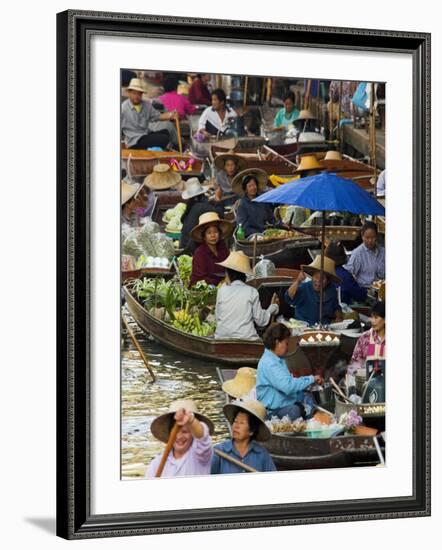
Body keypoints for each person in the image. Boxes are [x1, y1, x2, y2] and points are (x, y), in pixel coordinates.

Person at [256, 323, 323, 420]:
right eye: (286, 343)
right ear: (277, 342)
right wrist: (311, 379)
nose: (287, 348)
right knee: (295, 410)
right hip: (272, 411)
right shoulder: (270, 363)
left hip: (283, 401)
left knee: (307, 396)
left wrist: (308, 382)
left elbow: (288, 381)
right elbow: (287, 386)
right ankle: (309, 418)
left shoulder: (276, 358)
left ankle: (311, 415)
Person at [214, 251, 279, 340]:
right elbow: (261, 321)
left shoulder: (222, 290)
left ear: (228, 274)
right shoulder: (251, 291)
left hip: (221, 338)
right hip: (245, 340)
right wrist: (273, 307)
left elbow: (217, 317)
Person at [145, 399, 214, 478]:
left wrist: (191, 420)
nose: (179, 437)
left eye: (185, 432)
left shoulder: (201, 456)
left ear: (192, 434)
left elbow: (202, 438)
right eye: (176, 432)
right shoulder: (156, 463)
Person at [211, 400, 276, 474]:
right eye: (235, 421)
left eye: (242, 423)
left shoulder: (262, 454)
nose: (236, 426)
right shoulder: (219, 451)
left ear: (251, 431)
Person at [284, 255, 343, 325]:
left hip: (325, 327)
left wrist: (339, 317)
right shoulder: (305, 288)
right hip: (304, 326)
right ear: (312, 277)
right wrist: (298, 281)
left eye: (322, 279)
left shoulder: (331, 289)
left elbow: (336, 307)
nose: (318, 281)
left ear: (328, 281)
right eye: (316, 277)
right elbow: (288, 297)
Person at [121, 78, 178, 149]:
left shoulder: (146, 105)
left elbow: (158, 116)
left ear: (142, 94)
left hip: (145, 134)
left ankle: (173, 149)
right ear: (129, 93)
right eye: (134, 93)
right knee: (164, 138)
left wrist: (171, 115)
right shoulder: (123, 108)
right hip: (134, 141)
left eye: (139, 94)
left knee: (166, 132)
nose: (136, 96)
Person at [189, 212, 233, 287]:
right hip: (203, 286)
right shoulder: (200, 253)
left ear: (219, 233)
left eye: (215, 232)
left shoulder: (223, 248)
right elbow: (200, 278)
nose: (213, 235)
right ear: (204, 236)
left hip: (223, 283)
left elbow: (229, 266)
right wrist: (219, 282)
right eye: (209, 233)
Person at [179, 178, 224, 252]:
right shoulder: (201, 206)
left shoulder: (192, 205)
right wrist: (218, 199)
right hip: (191, 249)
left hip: (184, 244)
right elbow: (219, 216)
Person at [233, 169, 276, 237]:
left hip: (266, 233)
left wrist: (280, 224)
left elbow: (271, 219)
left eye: (254, 185)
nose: (253, 188)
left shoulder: (263, 200)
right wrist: (260, 234)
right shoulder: (242, 205)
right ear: (245, 189)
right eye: (250, 186)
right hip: (252, 236)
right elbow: (243, 227)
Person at [344, 221, 385, 288]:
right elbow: (348, 274)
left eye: (373, 237)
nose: (370, 241)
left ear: (377, 236)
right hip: (365, 291)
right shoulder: (358, 254)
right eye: (367, 237)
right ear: (362, 236)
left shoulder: (383, 252)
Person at [325, 240, 367, 304]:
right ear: (343, 256)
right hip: (342, 309)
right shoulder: (345, 276)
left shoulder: (324, 271)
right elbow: (361, 296)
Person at [350, 301, 385, 368]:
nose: (372, 321)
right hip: (366, 377)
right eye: (371, 317)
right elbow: (354, 364)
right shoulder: (365, 337)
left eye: (376, 318)